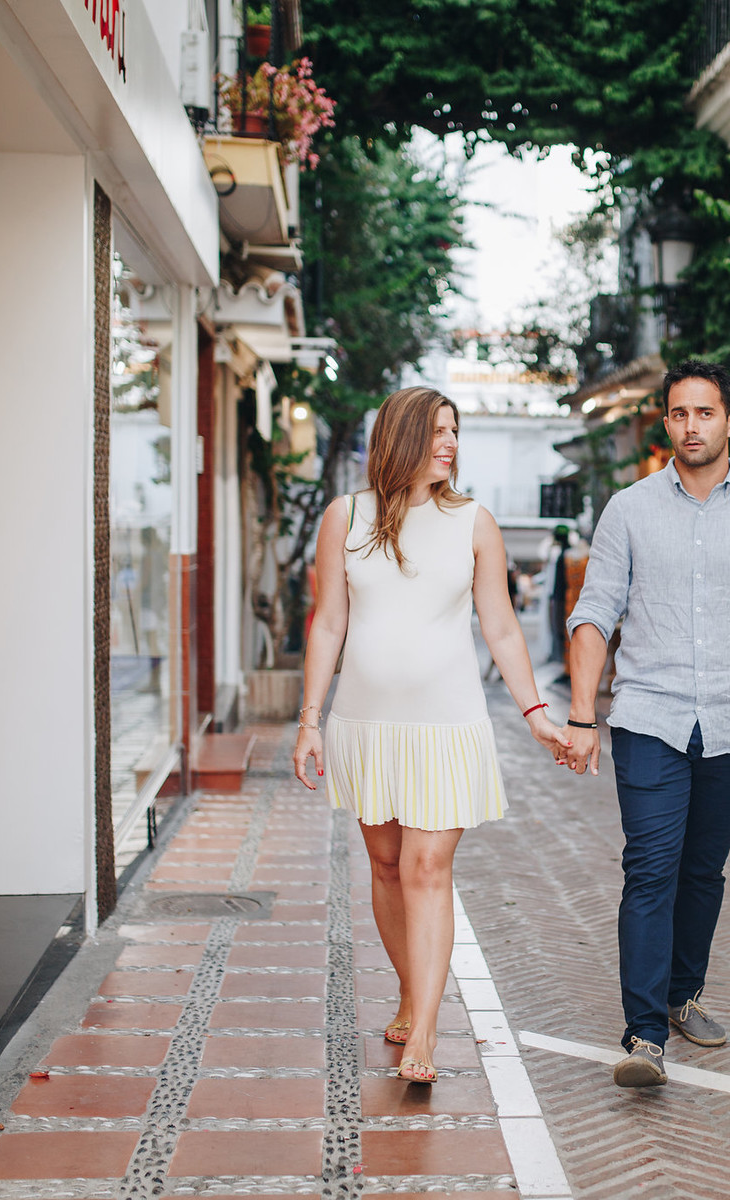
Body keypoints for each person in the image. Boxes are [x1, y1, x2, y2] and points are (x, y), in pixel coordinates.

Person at [293, 386, 571, 1084]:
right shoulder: (345, 518)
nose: (448, 444)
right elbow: (328, 622)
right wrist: (309, 721)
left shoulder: (474, 522)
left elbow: (501, 626)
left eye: (454, 433)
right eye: (437, 432)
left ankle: (425, 1032)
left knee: (425, 869)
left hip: (448, 727)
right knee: (385, 869)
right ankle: (412, 991)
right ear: (400, 438)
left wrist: (537, 713)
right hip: (367, 726)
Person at [562, 359, 730, 1088]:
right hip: (649, 718)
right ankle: (642, 1035)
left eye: (705, 413)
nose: (691, 426)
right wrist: (582, 716)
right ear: (664, 422)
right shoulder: (630, 510)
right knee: (652, 867)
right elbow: (593, 613)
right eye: (678, 413)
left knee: (704, 871)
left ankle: (680, 996)